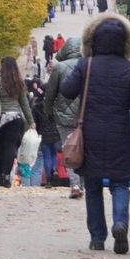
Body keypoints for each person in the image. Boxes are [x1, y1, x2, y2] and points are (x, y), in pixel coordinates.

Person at [61, 12, 130, 254]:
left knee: (93, 186)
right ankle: (120, 223)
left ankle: (97, 237)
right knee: (119, 183)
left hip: (90, 134)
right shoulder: (128, 69)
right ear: (125, 43)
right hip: (119, 134)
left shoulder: (86, 65)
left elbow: (66, 91)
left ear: (92, 41)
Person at [44, 35, 84, 199]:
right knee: (84, 149)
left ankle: (75, 184)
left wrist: (48, 112)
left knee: (69, 148)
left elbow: (50, 93)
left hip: (63, 116)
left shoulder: (59, 68)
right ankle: (83, 183)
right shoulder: (87, 64)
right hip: (84, 115)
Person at [0, 57, 35, 187]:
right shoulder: (18, 82)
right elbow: (24, 104)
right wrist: (31, 121)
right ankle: (6, 176)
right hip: (15, 118)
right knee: (11, 147)